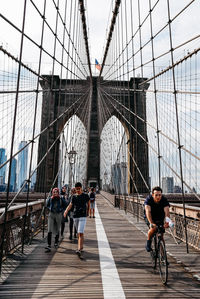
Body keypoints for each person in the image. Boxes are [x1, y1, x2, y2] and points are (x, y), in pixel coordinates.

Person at [64, 182, 89, 258]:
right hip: (75, 216)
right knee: (79, 233)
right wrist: (66, 211)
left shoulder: (85, 195)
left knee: (80, 232)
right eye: (76, 189)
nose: (78, 190)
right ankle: (81, 247)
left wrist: (88, 212)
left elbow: (89, 203)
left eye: (79, 189)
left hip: (83, 216)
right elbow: (70, 205)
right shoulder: (73, 197)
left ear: (81, 188)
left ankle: (79, 249)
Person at [144, 186, 170, 252]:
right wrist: (151, 223)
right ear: (152, 195)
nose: (158, 197)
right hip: (150, 216)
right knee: (153, 229)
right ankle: (148, 243)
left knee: (161, 235)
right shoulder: (149, 199)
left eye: (159, 195)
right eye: (156, 195)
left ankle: (163, 257)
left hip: (159, 216)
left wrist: (167, 222)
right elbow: (148, 211)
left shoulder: (164, 200)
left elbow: (167, 211)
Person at [45, 187, 67, 252]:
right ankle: (49, 245)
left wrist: (61, 210)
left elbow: (66, 205)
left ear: (58, 192)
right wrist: (49, 206)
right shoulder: (50, 199)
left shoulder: (61, 199)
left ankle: (56, 243)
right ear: (52, 193)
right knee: (49, 229)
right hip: (51, 214)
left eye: (56, 192)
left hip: (58, 215)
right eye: (54, 192)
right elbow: (46, 205)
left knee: (57, 229)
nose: (55, 193)